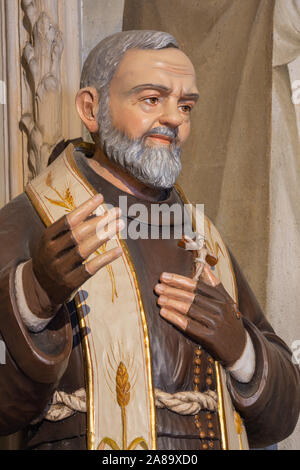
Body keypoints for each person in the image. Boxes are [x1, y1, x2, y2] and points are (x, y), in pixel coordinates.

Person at [0, 30, 299, 451]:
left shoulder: (201, 237)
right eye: (152, 99)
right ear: (92, 109)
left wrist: (242, 349)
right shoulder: (34, 218)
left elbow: (283, 415)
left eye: (186, 105)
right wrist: (32, 297)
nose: (175, 118)